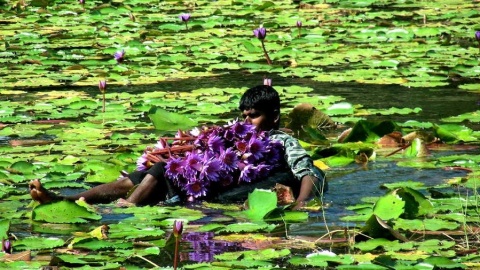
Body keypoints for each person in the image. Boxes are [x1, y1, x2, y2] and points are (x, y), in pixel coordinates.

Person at [29, 85, 327, 210]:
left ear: (274, 116)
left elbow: (307, 171)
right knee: (139, 175)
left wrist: (303, 204)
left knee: (158, 171)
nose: (248, 123)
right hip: (207, 179)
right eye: (244, 116)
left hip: (228, 187)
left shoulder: (281, 140)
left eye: (256, 116)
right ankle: (69, 200)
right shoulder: (230, 135)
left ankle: (127, 210)